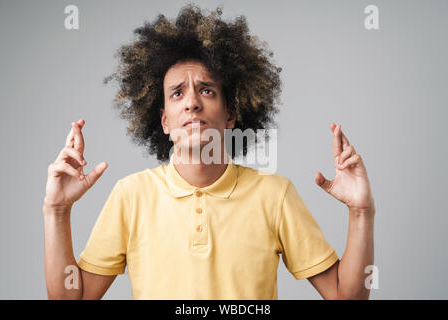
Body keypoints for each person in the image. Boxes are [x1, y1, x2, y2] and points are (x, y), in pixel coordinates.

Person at [43, 4, 375, 300]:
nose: (191, 102)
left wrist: (361, 212)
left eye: (206, 90)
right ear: (164, 122)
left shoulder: (275, 196)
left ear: (230, 115)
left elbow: (346, 297)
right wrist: (57, 212)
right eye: (177, 94)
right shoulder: (131, 196)